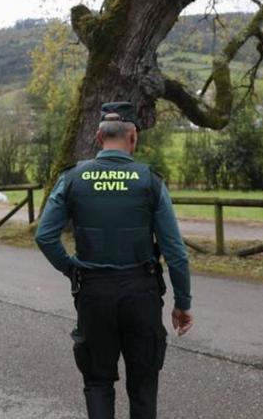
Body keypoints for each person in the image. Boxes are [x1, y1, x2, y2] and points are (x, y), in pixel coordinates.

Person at [35, 101, 193, 419]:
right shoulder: (150, 181)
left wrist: (73, 270)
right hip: (142, 293)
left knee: (97, 382)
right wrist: (182, 302)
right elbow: (174, 249)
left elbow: (45, 236)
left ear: (98, 136)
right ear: (133, 136)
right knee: (143, 385)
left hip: (93, 294)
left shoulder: (72, 179)